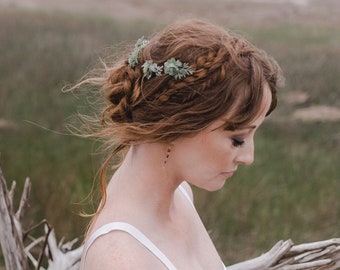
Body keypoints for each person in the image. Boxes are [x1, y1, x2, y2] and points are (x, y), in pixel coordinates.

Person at [78, 19, 284, 270]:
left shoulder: (181, 193)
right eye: (237, 139)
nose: (248, 157)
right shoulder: (119, 259)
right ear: (177, 123)